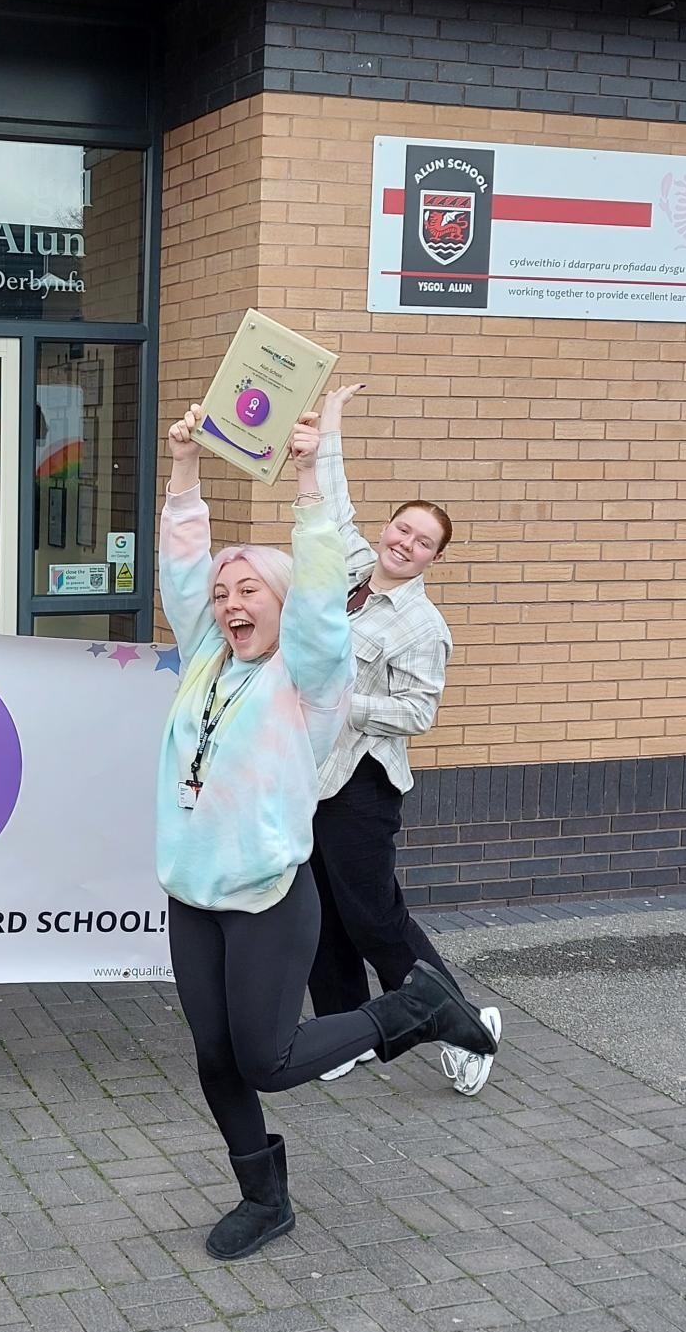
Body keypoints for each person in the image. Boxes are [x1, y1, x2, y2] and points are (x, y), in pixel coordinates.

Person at [157, 405, 497, 1261]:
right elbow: (183, 563)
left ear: (285, 608)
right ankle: (264, 1200)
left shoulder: (303, 679)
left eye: (252, 592)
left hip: (269, 895)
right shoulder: (207, 655)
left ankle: (414, 1006)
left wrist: (311, 479)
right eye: (225, 594)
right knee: (216, 1056)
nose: (233, 603)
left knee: (267, 1058)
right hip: (193, 893)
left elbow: (316, 594)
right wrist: (185, 467)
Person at [304, 384, 502, 1095]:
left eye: (422, 542)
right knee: (319, 912)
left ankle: (465, 1025)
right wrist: (331, 417)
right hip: (311, 774)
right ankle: (344, 1032)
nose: (405, 543)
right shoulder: (353, 569)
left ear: (432, 559)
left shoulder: (421, 628)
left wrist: (342, 700)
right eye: (402, 529)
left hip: (360, 784)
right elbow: (331, 499)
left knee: (372, 918)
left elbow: (418, 714)